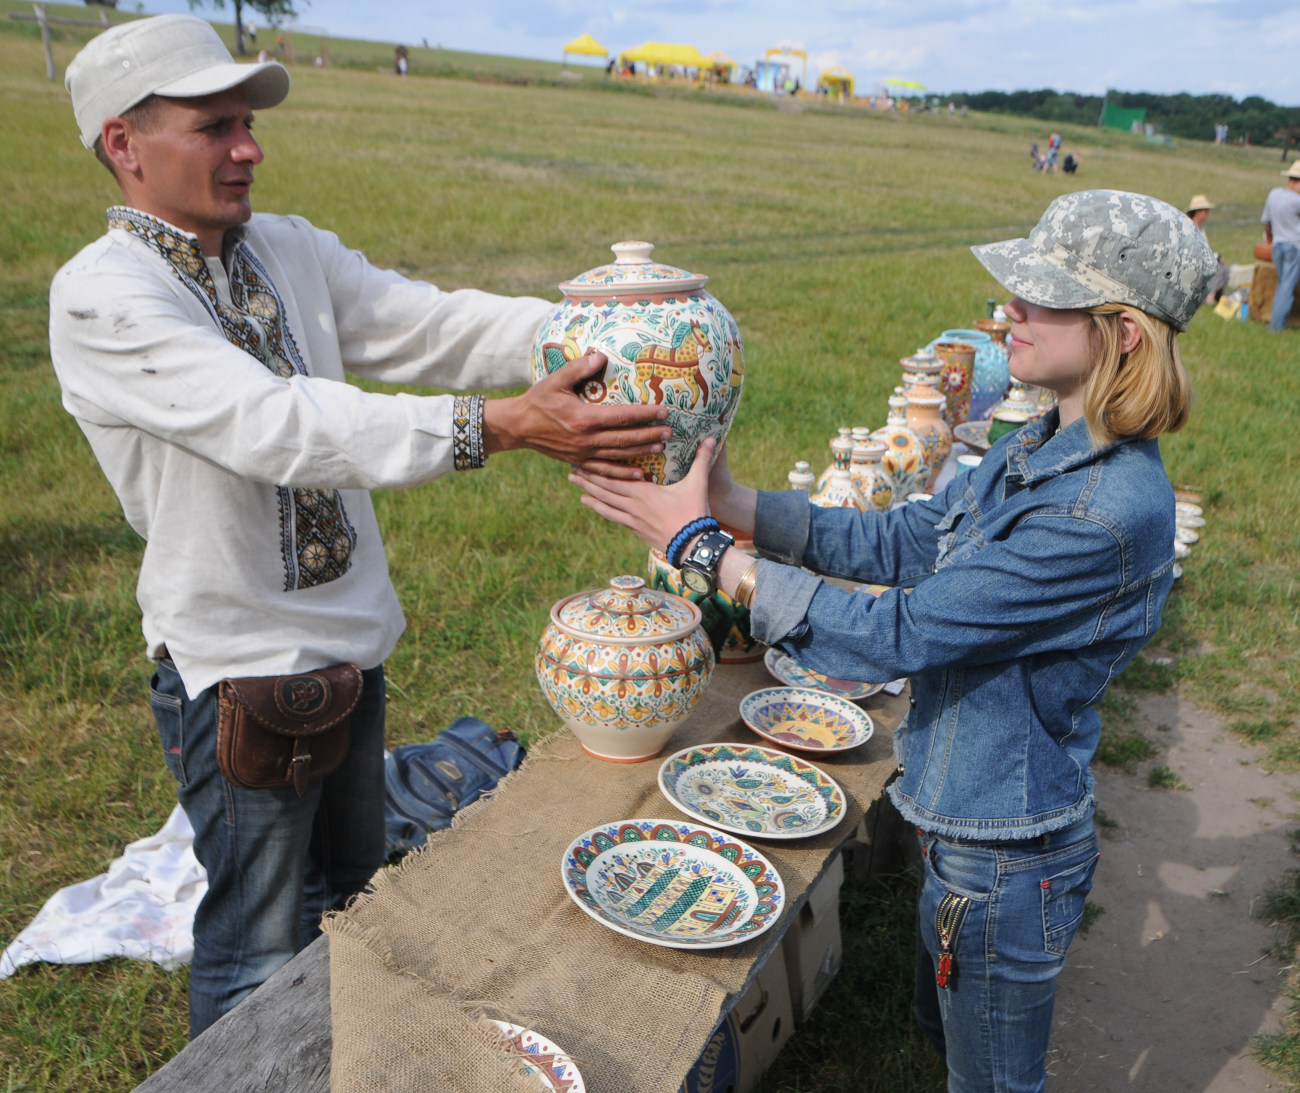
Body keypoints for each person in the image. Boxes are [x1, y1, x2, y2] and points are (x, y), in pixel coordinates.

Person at [51, 15, 670, 1037]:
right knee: (255, 935)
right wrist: (506, 426)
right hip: (239, 665)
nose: (248, 148)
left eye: (246, 124)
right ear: (124, 143)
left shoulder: (286, 248)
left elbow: (428, 323)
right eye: (215, 127)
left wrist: (610, 327)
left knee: (346, 895)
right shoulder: (104, 297)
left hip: (349, 642)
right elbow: (274, 423)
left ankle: (335, 1056)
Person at [570, 189, 1216, 1093]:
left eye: (1040, 296)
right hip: (968, 824)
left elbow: (904, 631)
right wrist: (739, 507)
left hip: (1005, 856)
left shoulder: (1102, 511)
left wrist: (708, 553)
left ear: (1125, 334)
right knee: (941, 1033)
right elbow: (912, 540)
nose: (1009, 313)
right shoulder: (1047, 439)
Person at [1262, 161, 1300, 332]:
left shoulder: (1274, 194)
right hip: (1294, 247)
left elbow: (1266, 222)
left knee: (1282, 285)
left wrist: (1270, 239)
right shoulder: (1297, 200)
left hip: (1277, 246)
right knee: (1286, 287)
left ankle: (1275, 322)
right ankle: (1276, 327)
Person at [1186, 194, 1229, 302]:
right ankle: (1210, 296)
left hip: (1201, 259)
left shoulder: (1201, 229)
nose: (1207, 213)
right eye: (1205, 210)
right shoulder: (1190, 227)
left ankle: (1214, 294)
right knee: (1218, 268)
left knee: (1223, 267)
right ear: (1198, 211)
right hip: (1193, 261)